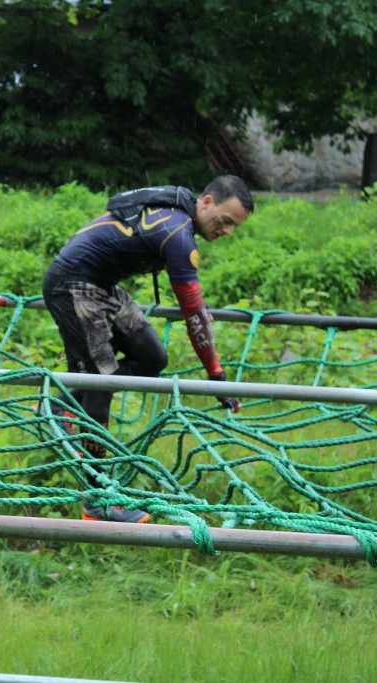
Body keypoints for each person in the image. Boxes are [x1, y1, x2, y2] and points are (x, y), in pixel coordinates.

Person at [42, 175, 253, 523]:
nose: (227, 231)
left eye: (234, 226)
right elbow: (194, 317)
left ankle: (61, 402)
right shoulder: (177, 233)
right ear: (206, 202)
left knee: (152, 357)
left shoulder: (178, 219)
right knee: (101, 383)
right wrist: (217, 378)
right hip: (73, 284)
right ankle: (97, 500)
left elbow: (194, 308)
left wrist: (198, 311)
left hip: (103, 286)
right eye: (225, 220)